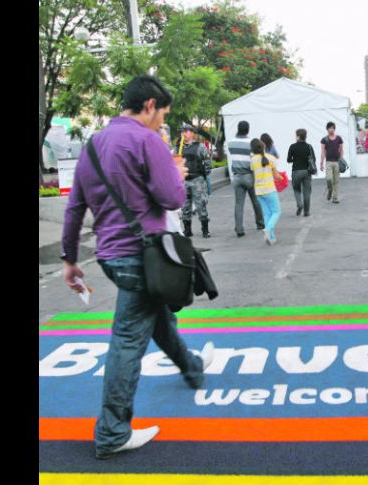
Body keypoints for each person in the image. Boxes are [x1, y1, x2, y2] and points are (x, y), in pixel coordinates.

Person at [60, 75, 214, 459]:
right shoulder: (148, 141)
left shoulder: (93, 144)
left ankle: (192, 368)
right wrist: (177, 175)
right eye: (163, 115)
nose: (163, 123)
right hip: (144, 256)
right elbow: (172, 198)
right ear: (149, 106)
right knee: (127, 342)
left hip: (111, 257)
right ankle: (112, 432)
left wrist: (69, 259)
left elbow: (76, 206)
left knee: (159, 318)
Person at [227, 120, 266, 237]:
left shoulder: (231, 142)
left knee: (239, 204)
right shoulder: (250, 143)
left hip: (237, 177)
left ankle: (239, 229)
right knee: (256, 201)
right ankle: (260, 223)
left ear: (238, 129)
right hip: (249, 176)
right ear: (247, 130)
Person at [176, 124, 212, 238]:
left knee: (200, 205)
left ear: (192, 133)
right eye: (182, 131)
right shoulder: (178, 148)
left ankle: (205, 230)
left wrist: (203, 176)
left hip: (197, 179)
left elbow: (207, 163)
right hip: (184, 181)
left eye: (186, 131)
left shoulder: (200, 146)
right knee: (185, 207)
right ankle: (187, 230)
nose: (184, 134)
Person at [251, 138, 284, 244]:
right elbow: (276, 175)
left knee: (267, 214)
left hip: (259, 191)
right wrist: (282, 178)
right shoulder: (271, 158)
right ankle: (268, 229)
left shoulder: (252, 160)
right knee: (276, 211)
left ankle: (272, 238)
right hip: (270, 189)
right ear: (263, 147)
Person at [287, 128, 314, 217]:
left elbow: (289, 160)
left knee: (296, 189)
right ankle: (306, 212)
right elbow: (313, 159)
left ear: (298, 136)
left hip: (296, 172)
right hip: (307, 171)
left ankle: (300, 204)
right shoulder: (309, 147)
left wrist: (295, 158)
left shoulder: (292, 146)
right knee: (306, 192)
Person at [320, 121, 343, 204]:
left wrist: (341, 159)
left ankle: (335, 198)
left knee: (336, 181)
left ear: (334, 129)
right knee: (329, 179)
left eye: (333, 128)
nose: (331, 129)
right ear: (327, 129)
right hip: (328, 162)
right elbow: (322, 152)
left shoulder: (339, 138)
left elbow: (341, 149)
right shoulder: (324, 140)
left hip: (336, 162)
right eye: (330, 128)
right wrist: (321, 163)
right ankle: (330, 190)